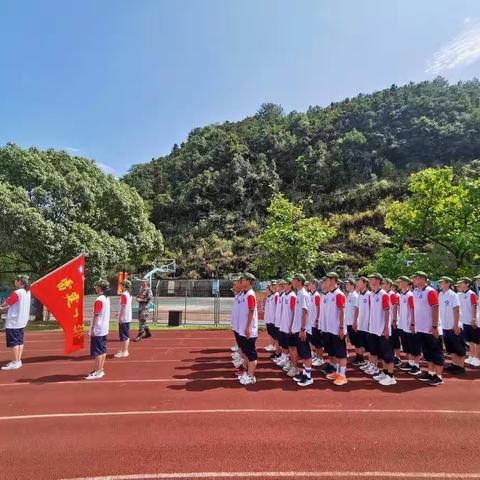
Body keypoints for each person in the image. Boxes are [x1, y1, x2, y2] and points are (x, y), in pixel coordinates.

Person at [412, 271, 444, 386]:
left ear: (422, 279)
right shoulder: (415, 291)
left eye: (415, 278)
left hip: (431, 328)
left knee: (436, 352)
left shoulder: (430, 291)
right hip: (421, 328)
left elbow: (435, 309)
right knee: (427, 353)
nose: (414, 280)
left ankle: (438, 376)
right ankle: (431, 373)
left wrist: (435, 326)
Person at [366, 273, 396, 386]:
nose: (370, 280)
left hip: (382, 329)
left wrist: (386, 328)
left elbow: (387, 311)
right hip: (373, 329)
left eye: (372, 279)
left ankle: (391, 376)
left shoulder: (384, 294)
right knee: (380, 353)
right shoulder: (371, 294)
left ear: (378, 280)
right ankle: (385, 372)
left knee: (387, 353)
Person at [0, 275, 31, 370]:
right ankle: (17, 360)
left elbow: (7, 303)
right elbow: (13, 305)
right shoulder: (28, 292)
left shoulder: (17, 292)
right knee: (19, 341)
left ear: (19, 282)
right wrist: (2, 308)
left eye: (16, 280)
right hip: (21, 321)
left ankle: (15, 362)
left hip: (14, 322)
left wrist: (1, 307)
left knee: (14, 342)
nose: (15, 282)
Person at [323, 272, 348, 386]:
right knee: (335, 352)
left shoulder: (339, 294)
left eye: (327, 280)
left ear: (333, 280)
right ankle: (337, 372)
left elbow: (342, 311)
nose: (325, 282)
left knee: (341, 352)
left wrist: (341, 327)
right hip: (330, 329)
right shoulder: (328, 295)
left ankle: (343, 375)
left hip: (338, 329)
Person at [439, 277, 466, 375]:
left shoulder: (453, 295)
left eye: (442, 282)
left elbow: (456, 310)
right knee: (451, 347)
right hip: (445, 325)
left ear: (448, 283)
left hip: (453, 325)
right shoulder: (440, 294)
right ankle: (455, 364)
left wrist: (456, 324)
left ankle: (461, 366)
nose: (440, 284)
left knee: (459, 347)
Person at [291, 274, 313, 386]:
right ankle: (305, 373)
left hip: (302, 329)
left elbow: (305, 312)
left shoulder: (303, 294)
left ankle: (308, 377)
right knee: (303, 353)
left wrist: (303, 329)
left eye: (294, 280)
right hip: (298, 329)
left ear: (299, 281)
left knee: (306, 354)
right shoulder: (299, 294)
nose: (292, 281)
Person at [86, 279, 111, 380]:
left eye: (96, 286)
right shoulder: (106, 298)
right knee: (102, 350)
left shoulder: (99, 300)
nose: (95, 287)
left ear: (100, 287)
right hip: (104, 328)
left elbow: (96, 314)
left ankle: (97, 371)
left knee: (97, 351)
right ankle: (100, 369)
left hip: (98, 328)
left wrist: (92, 328)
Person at [396, 276, 421, 376]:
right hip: (403, 324)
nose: (399, 283)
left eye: (401, 282)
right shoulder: (401, 295)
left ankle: (417, 366)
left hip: (409, 324)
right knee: (408, 346)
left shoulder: (410, 295)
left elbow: (412, 309)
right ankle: (410, 363)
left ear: (406, 283)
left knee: (414, 346)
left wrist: (413, 323)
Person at [237, 273, 259, 385]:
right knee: (246, 352)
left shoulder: (250, 294)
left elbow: (251, 311)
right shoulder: (245, 294)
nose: (242, 281)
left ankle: (251, 376)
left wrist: (248, 328)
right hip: (242, 329)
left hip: (248, 330)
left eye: (244, 279)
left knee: (251, 354)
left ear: (250, 281)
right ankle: (247, 373)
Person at [457, 277, 479, 367]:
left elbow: (474, 306)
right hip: (464, 321)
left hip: (472, 320)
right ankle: (472, 356)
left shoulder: (471, 294)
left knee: (476, 340)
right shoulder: (461, 295)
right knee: (469, 340)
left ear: (467, 284)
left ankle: (477, 358)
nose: (460, 285)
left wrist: (474, 318)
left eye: (462, 283)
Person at [276, 277, 296, 373]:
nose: (284, 285)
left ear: (290, 285)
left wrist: (291, 325)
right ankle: (285, 359)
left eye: (287, 284)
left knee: (290, 346)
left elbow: (293, 312)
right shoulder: (284, 296)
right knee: (283, 343)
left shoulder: (292, 296)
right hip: (283, 324)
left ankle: (290, 362)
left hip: (288, 325)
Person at [382, 278, 401, 366]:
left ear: (389, 285)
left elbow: (395, 307)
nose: (384, 285)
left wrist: (394, 319)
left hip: (392, 321)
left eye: (385, 284)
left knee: (394, 340)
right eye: (383, 284)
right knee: (389, 340)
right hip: (386, 320)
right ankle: (392, 356)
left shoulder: (392, 294)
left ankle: (397, 357)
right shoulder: (384, 294)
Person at [353, 276, 370, 368]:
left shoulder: (369, 295)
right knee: (359, 342)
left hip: (367, 324)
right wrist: (355, 321)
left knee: (369, 344)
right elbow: (357, 309)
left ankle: (371, 363)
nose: (357, 284)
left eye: (359, 282)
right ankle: (360, 358)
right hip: (360, 323)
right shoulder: (359, 295)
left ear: (365, 283)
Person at [306, 277, 323, 367]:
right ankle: (316, 356)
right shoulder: (310, 295)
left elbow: (318, 308)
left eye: (310, 284)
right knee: (313, 341)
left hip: (315, 322)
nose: (308, 285)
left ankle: (320, 358)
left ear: (314, 285)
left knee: (318, 342)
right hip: (310, 322)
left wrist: (317, 319)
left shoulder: (316, 295)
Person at [114, 279, 132, 358]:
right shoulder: (128, 294)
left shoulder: (124, 294)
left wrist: (121, 316)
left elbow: (124, 306)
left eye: (121, 285)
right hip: (127, 317)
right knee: (126, 334)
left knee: (124, 335)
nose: (120, 286)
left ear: (124, 286)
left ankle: (125, 351)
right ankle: (124, 350)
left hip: (124, 318)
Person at [344, 278, 358, 364]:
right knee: (353, 340)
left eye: (348, 284)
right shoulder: (349, 295)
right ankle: (358, 357)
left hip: (353, 322)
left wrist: (355, 322)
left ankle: (360, 358)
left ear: (353, 285)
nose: (346, 286)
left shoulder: (355, 295)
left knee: (357, 341)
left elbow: (356, 309)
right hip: (348, 321)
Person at [264, 281, 277, 352]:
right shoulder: (270, 297)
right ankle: (272, 345)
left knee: (275, 334)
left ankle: (273, 346)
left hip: (274, 319)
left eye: (273, 285)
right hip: (269, 318)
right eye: (271, 286)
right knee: (271, 333)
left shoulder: (276, 295)